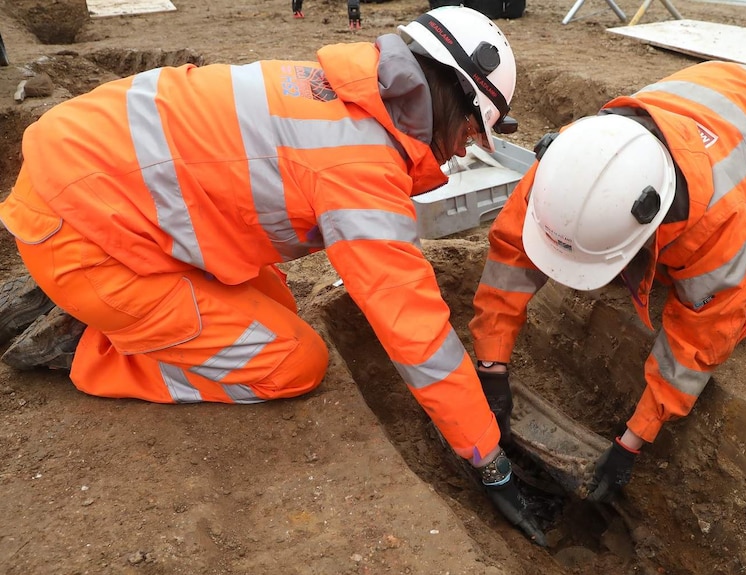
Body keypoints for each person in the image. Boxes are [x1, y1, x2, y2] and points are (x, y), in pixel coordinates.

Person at [0, 6, 545, 545]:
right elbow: (414, 328)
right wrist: (486, 457)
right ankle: (91, 347)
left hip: (96, 188)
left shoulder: (342, 93)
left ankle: (107, 303)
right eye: (473, 132)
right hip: (84, 236)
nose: (461, 151)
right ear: (452, 100)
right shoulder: (359, 167)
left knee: (276, 307)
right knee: (293, 364)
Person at [469, 61, 746, 503]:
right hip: (710, 95)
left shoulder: (717, 223)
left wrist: (633, 440)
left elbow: (697, 341)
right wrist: (492, 366)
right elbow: (513, 250)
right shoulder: (572, 161)